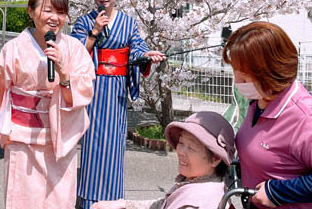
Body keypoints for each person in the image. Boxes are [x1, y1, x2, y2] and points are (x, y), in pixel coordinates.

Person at [0, 0, 95, 209]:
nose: (55, 18)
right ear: (31, 12)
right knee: (22, 199)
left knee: (59, 200)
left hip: (61, 137)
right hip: (23, 137)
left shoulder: (74, 49)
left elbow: (86, 88)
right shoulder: (13, 49)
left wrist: (64, 74)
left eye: (61, 12)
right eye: (48, 10)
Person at [71, 0, 166, 208]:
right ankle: (88, 201)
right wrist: (94, 32)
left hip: (115, 91)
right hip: (93, 88)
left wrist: (147, 55)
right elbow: (75, 54)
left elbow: (137, 48)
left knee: (114, 144)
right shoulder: (84, 22)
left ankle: (112, 200)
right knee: (92, 144)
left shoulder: (129, 23)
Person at [223, 21, 312, 209]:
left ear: (271, 72)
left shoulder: (304, 118)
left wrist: (278, 191)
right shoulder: (259, 99)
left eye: (244, 78)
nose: (237, 83)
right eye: (235, 74)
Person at [90, 111, 235, 209]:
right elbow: (162, 204)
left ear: (215, 158)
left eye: (191, 148)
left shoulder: (198, 201)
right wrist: (124, 204)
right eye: (181, 142)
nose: (181, 151)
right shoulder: (202, 183)